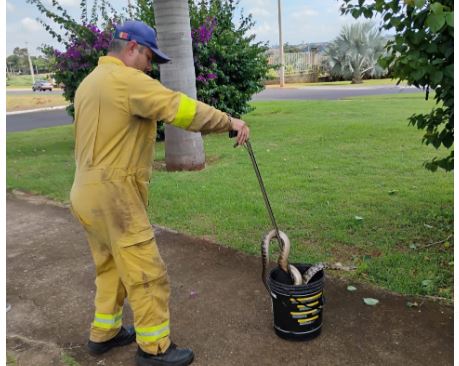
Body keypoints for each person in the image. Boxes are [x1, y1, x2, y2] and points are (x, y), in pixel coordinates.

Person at [69, 20, 249, 366]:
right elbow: (182, 109)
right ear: (133, 48)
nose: (151, 68)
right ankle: (154, 350)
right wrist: (230, 122)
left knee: (110, 267)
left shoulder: (89, 83)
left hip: (84, 193)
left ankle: (103, 334)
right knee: (147, 273)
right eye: (150, 58)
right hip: (114, 196)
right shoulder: (128, 81)